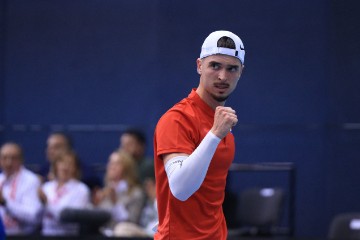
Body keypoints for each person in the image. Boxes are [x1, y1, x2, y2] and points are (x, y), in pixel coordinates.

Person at [153, 30, 245, 239]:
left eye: (232, 68)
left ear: (241, 72)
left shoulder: (222, 124)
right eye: (215, 66)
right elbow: (181, 189)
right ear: (199, 66)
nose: (223, 76)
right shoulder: (177, 119)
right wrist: (214, 135)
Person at [39, 151, 91, 236]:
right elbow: (36, 217)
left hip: (68, 236)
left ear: (75, 168)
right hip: (45, 234)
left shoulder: (82, 189)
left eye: (70, 163)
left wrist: (46, 204)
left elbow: (69, 217)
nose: (65, 167)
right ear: (55, 166)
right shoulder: (46, 187)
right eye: (62, 162)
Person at [93, 150, 145, 231]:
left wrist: (115, 202)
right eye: (110, 163)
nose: (111, 166)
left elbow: (131, 223)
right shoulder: (104, 192)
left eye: (116, 164)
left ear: (127, 168)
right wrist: (95, 205)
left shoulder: (136, 193)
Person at [0, 142, 43, 235]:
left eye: (13, 158)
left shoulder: (31, 181)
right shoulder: (0, 179)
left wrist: (5, 203)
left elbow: (32, 216)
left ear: (21, 159)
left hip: (22, 236)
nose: (8, 163)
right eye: (4, 158)